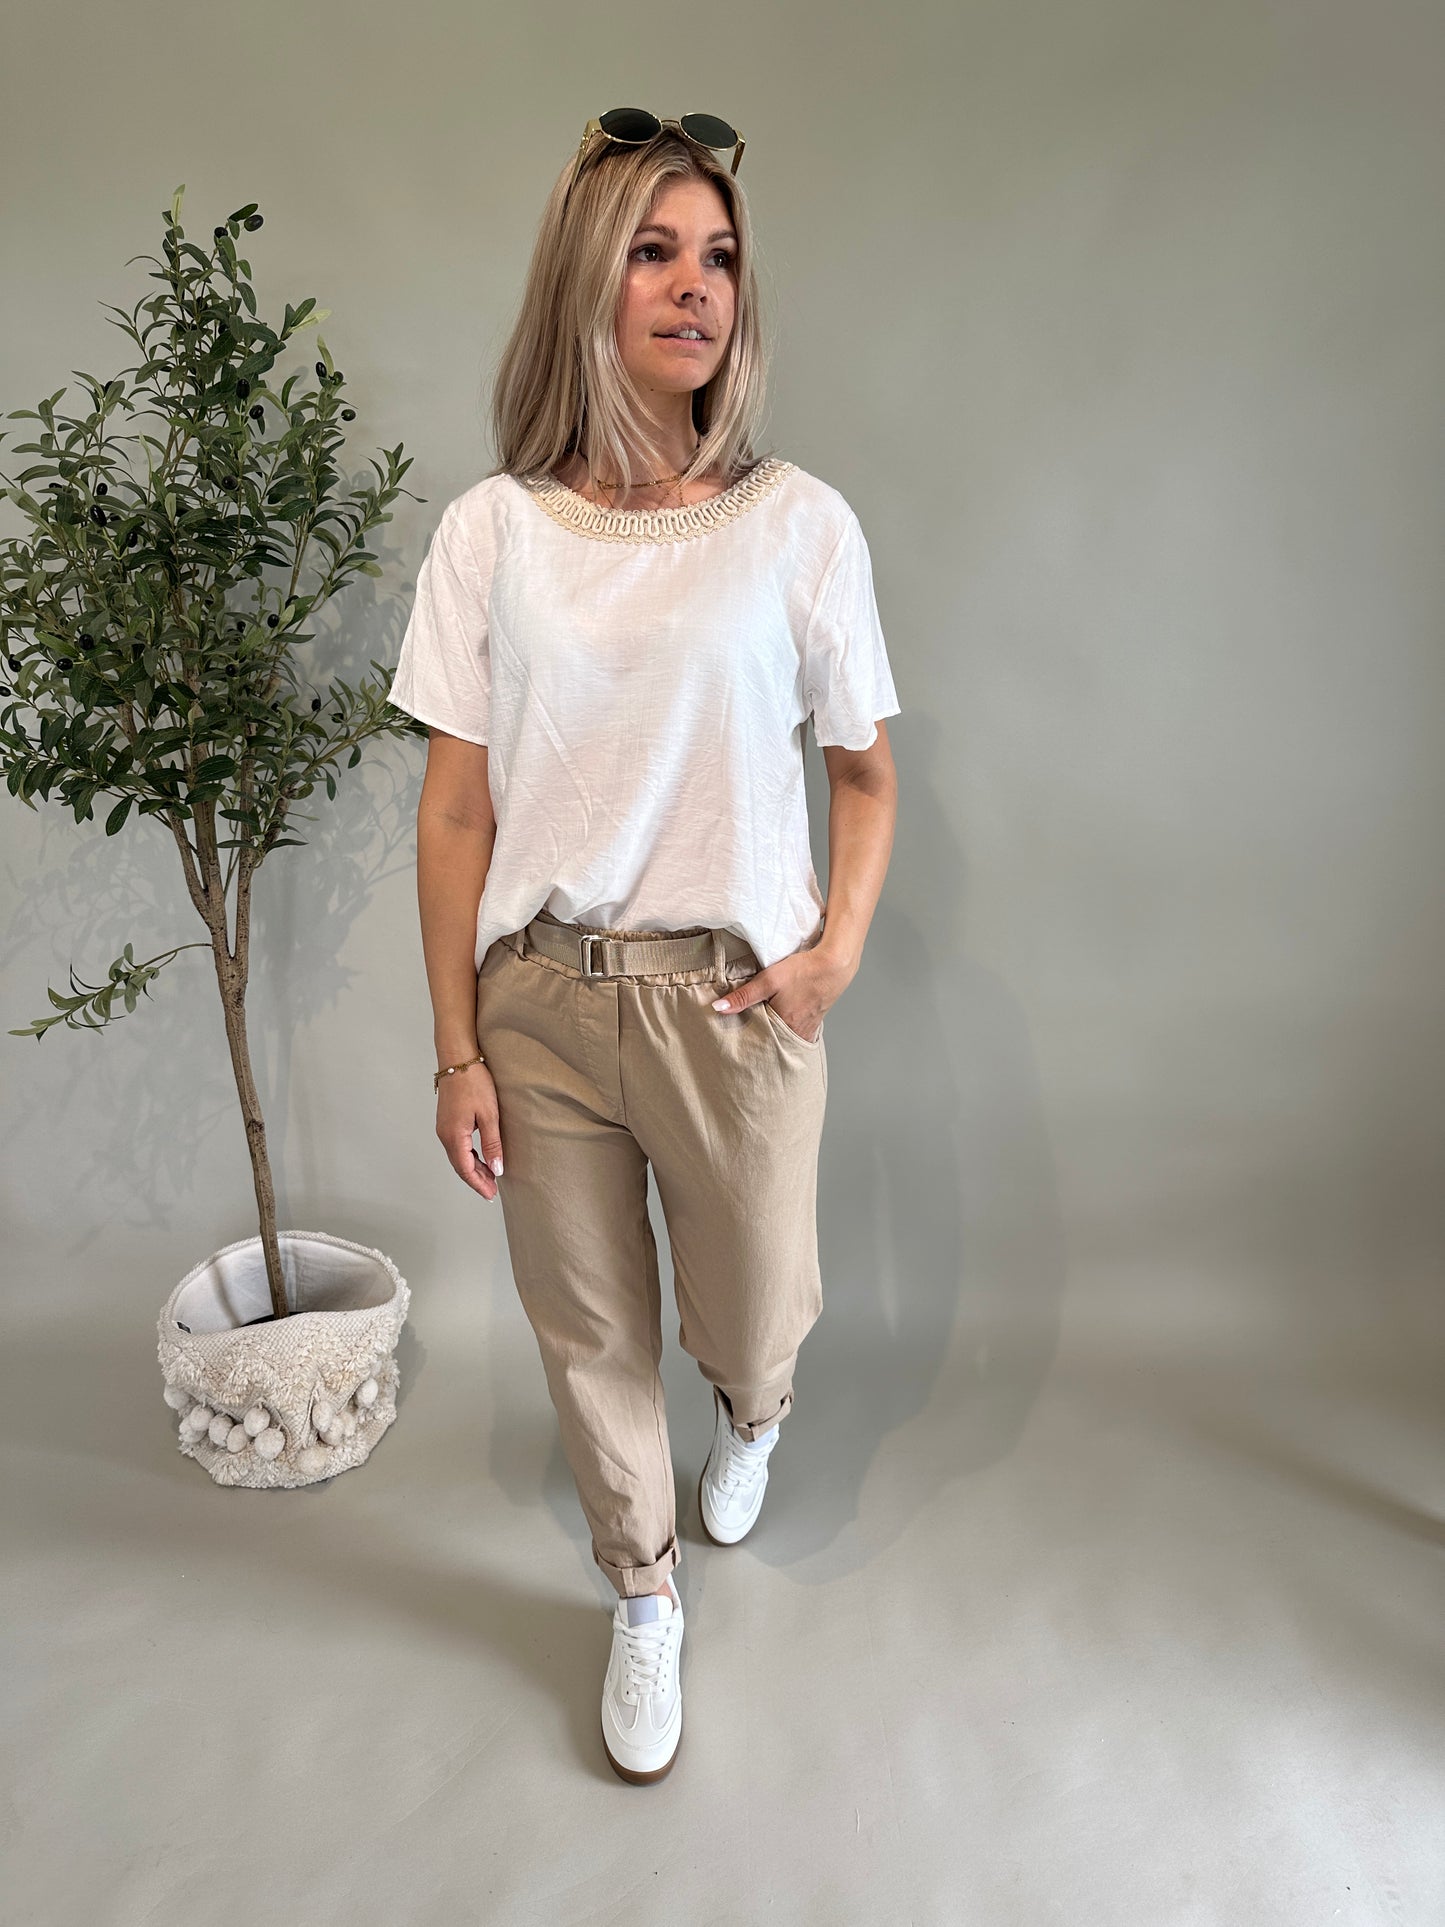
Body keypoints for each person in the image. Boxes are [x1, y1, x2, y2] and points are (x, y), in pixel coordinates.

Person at [387, 109, 901, 1785]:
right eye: (656, 252)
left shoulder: (796, 524)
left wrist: (831, 954)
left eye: (721, 257)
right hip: (540, 1000)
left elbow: (865, 773)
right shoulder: (491, 532)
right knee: (585, 1328)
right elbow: (453, 813)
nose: (697, 288)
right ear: (585, 283)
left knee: (753, 1312)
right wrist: (457, 1044)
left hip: (731, 1002)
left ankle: (753, 1414)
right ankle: (642, 1587)